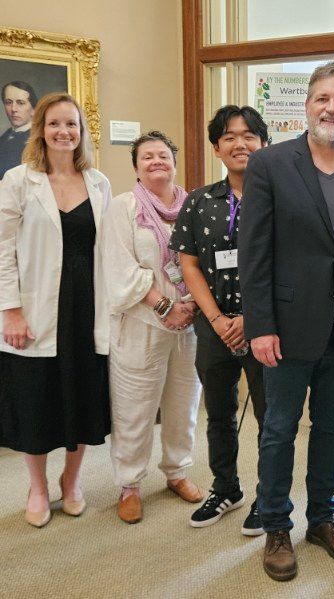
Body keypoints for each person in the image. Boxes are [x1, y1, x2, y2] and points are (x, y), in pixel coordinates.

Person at [239, 61, 334, 582]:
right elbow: (254, 252)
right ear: (307, 104)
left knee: (331, 425)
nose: (331, 108)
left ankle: (322, 519)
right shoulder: (270, 164)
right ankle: (276, 525)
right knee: (278, 429)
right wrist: (260, 325)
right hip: (286, 326)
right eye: (323, 98)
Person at [0, 92, 111, 527]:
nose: (63, 132)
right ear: (41, 130)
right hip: (36, 308)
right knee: (36, 399)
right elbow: (2, 250)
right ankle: (38, 487)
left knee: (82, 395)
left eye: (71, 124)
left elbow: (109, 249)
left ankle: (72, 480)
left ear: (81, 132)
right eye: (54, 124)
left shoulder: (98, 182)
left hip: (87, 308)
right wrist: (10, 310)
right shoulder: (18, 180)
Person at [170, 105, 269, 535]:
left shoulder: (279, 199)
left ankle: (269, 496)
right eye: (229, 137)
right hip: (213, 328)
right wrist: (215, 318)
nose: (239, 143)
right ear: (216, 148)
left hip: (265, 327)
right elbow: (187, 261)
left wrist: (249, 318)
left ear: (263, 144)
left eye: (248, 136)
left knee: (271, 417)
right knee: (219, 413)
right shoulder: (198, 201)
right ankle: (226, 487)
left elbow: (288, 264)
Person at [102, 130, 203, 525]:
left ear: (174, 163)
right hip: (142, 323)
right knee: (135, 407)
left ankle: (177, 471)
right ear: (137, 167)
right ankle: (129, 484)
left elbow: (206, 259)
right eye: (147, 157)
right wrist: (164, 306)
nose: (156, 161)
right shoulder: (123, 208)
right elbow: (119, 266)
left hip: (189, 323)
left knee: (184, 403)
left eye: (163, 155)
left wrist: (193, 304)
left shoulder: (194, 205)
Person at [0, 81, 37, 179]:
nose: (13, 109)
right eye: (8, 102)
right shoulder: (5, 137)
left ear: (34, 109)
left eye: (20, 103)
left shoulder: (39, 140)